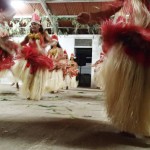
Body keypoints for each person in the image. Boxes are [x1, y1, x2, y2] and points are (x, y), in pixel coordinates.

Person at [101, 0, 150, 139]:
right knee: (130, 86)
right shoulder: (130, 3)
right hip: (133, 44)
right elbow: (112, 8)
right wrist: (92, 17)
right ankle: (128, 123)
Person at [14, 10, 53, 100]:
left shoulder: (43, 34)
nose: (33, 26)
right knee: (29, 76)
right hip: (30, 57)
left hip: (40, 58)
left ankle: (36, 93)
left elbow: (51, 41)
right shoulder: (29, 36)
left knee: (38, 77)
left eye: (35, 24)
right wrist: (16, 47)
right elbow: (22, 43)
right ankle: (28, 92)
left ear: (39, 26)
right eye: (31, 25)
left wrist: (43, 46)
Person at [0, 0, 17, 78]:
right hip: (2, 47)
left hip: (3, 47)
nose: (3, 18)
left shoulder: (4, 25)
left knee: (9, 64)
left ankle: (16, 79)